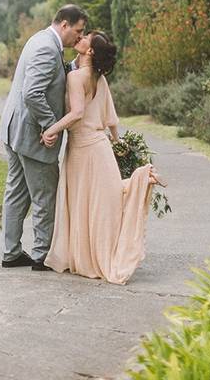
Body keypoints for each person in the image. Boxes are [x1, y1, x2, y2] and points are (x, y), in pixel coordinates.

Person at [42, 31, 163, 284]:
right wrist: (119, 146)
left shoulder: (76, 77)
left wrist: (51, 129)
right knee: (101, 204)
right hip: (100, 148)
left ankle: (142, 178)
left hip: (84, 150)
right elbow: (111, 119)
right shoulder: (99, 78)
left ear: (91, 51)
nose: (82, 37)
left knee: (87, 204)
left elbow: (76, 113)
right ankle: (142, 179)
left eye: (87, 37)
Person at [0, 5, 88, 270]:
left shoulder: (41, 39)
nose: (79, 37)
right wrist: (51, 126)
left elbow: (54, 76)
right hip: (31, 134)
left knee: (16, 191)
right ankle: (42, 255)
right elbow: (32, 93)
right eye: (78, 31)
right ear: (64, 25)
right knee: (45, 194)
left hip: (13, 129)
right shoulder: (48, 48)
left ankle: (11, 252)